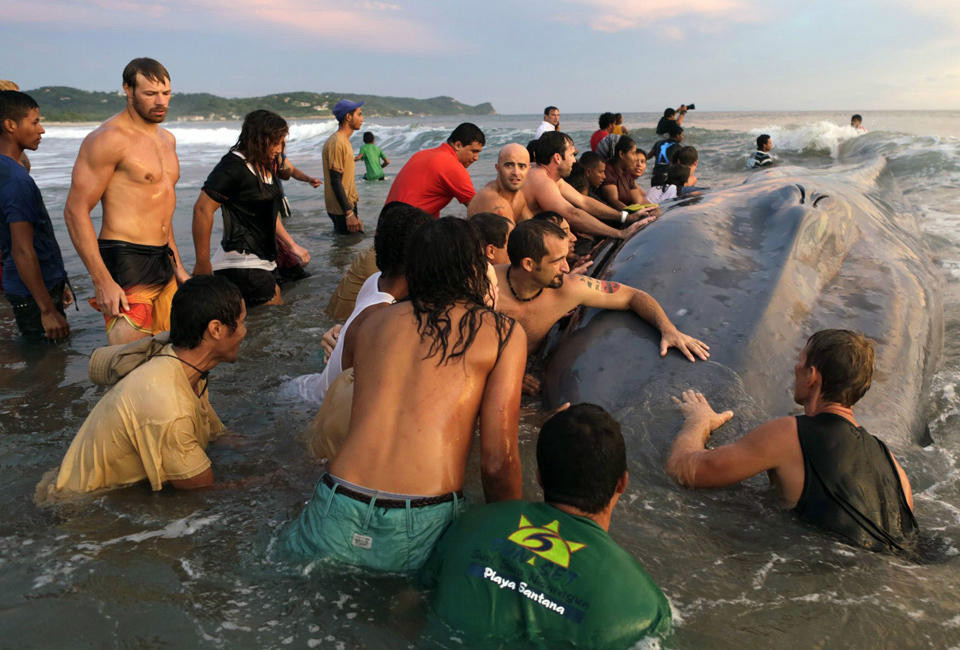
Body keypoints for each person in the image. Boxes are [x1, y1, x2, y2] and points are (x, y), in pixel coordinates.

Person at [281, 217, 526, 572]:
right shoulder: (502, 333)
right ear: (474, 267)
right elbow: (497, 463)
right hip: (418, 522)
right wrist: (509, 541)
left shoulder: (374, 323)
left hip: (332, 506)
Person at [419, 403, 671, 649]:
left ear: (539, 476)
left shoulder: (471, 523)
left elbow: (407, 606)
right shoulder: (644, 606)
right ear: (622, 484)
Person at [667, 329, 918, 552]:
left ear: (812, 377)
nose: (795, 368)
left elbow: (686, 471)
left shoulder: (788, 433)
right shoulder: (893, 465)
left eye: (800, 361)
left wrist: (698, 421)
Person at [39, 275, 246, 496]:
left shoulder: (183, 365)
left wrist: (272, 446)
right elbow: (201, 491)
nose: (245, 332)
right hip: (80, 508)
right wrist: (274, 481)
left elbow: (215, 434)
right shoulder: (169, 404)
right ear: (216, 329)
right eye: (242, 322)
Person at [64, 58, 190, 345]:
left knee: (171, 356)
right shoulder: (108, 139)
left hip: (163, 259)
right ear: (127, 90)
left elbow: (162, 208)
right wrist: (102, 280)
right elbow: (75, 210)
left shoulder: (167, 139)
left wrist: (178, 266)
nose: (160, 102)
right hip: (125, 259)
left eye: (166, 93)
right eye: (150, 94)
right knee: (130, 362)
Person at [496, 219, 709, 359]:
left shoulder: (568, 289)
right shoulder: (485, 288)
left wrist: (669, 329)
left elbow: (632, 296)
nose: (567, 268)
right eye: (557, 261)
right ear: (528, 264)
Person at [290, 202, 432, 409]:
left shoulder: (375, 281)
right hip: (315, 409)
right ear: (419, 259)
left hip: (304, 390)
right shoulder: (385, 320)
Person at [192, 110, 311, 307]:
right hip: (240, 261)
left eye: (282, 142)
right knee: (273, 308)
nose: (279, 149)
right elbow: (202, 210)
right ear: (259, 139)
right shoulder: (232, 166)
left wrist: (292, 245)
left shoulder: (265, 165)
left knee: (262, 321)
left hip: (263, 260)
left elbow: (269, 214)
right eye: (275, 142)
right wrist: (202, 263)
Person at [0, 91, 71, 341]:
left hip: (25, 285)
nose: (41, 130)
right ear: (10, 125)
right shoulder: (17, 181)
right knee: (49, 366)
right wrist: (47, 309)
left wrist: (58, 280)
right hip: (31, 294)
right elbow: (23, 250)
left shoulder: (7, 171)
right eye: (34, 122)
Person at [521, 132, 645, 240]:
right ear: (558, 158)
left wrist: (625, 217)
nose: (575, 161)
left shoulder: (549, 175)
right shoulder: (543, 182)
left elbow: (583, 201)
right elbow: (572, 214)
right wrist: (620, 233)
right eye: (571, 155)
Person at [385, 122, 484, 217]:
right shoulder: (453, 166)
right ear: (458, 145)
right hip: (407, 228)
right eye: (474, 151)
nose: (476, 158)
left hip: (386, 225)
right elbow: (478, 209)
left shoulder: (421, 154)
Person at [322, 99, 364, 233]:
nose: (362, 119)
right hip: (341, 208)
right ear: (348, 117)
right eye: (359, 114)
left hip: (345, 205)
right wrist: (349, 214)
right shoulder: (337, 142)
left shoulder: (344, 141)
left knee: (347, 247)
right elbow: (335, 180)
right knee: (347, 247)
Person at [467, 143, 534, 222]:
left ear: (529, 170)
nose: (516, 172)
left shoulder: (518, 196)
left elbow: (532, 225)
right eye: (509, 165)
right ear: (498, 168)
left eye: (522, 166)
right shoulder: (496, 204)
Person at [599, 136, 658, 214]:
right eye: (633, 154)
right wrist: (634, 214)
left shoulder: (626, 173)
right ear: (621, 154)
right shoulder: (607, 171)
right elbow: (613, 201)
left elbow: (639, 200)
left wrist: (655, 208)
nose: (635, 158)